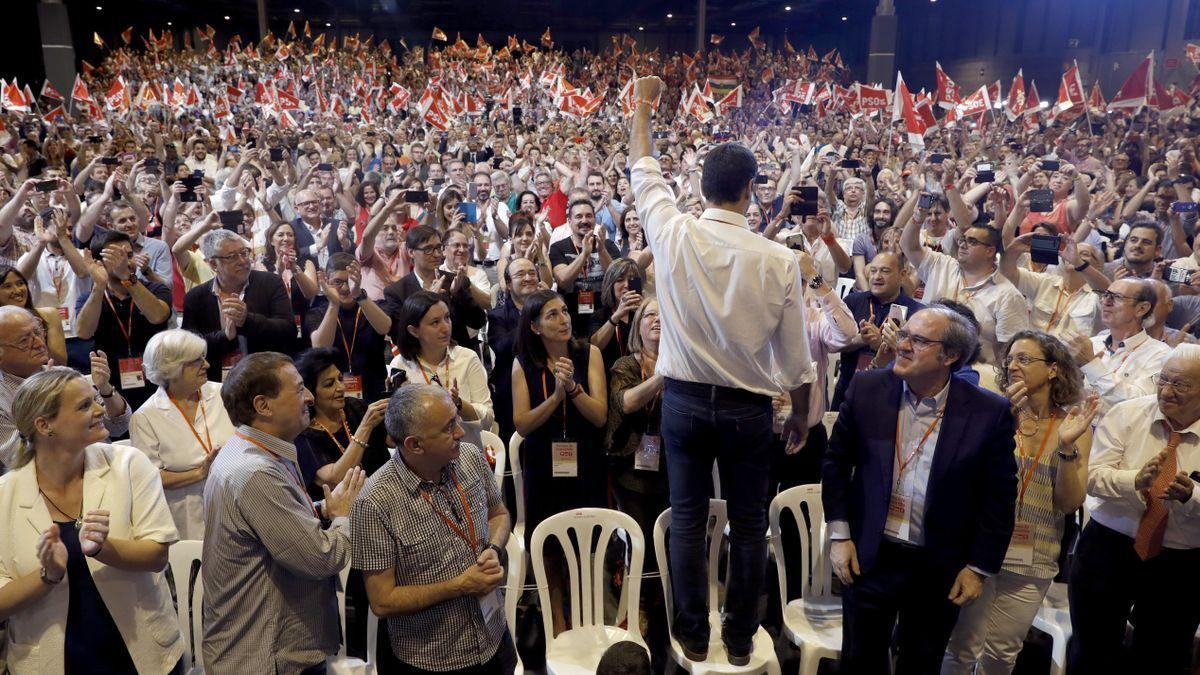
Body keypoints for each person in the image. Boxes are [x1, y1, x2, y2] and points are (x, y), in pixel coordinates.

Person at [628, 76, 816, 666]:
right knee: (748, 523)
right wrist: (804, 418)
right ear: (751, 190)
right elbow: (796, 359)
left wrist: (642, 106)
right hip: (747, 410)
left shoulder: (674, 230)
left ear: (701, 188)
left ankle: (690, 633)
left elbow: (643, 168)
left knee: (686, 521)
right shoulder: (781, 259)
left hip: (682, 401)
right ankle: (738, 640)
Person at [822, 306, 1018, 674]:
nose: (903, 345)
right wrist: (839, 535)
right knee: (859, 663)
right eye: (904, 334)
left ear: (951, 356)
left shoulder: (988, 412)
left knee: (920, 665)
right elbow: (835, 465)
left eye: (919, 340)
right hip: (869, 555)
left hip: (938, 566)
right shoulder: (868, 388)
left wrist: (978, 568)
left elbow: (999, 500)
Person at [0, 367, 183, 674]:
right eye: (84, 405)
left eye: (95, 399)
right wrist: (50, 574)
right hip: (53, 658)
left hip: (142, 653)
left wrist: (103, 549)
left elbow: (156, 555)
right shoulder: (5, 495)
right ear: (45, 425)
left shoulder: (128, 464)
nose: (100, 409)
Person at [942, 330, 1099, 675]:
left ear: (1054, 369)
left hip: (1035, 554)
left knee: (1002, 653)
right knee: (962, 647)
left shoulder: (1073, 425)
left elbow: (1069, 504)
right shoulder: (990, 409)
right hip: (979, 549)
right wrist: (1000, 423)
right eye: (1010, 358)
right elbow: (961, 476)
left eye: (1024, 359)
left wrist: (1066, 447)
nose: (1013, 365)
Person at [201, 352, 366, 673]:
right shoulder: (256, 472)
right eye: (299, 388)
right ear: (263, 406)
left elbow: (272, 524)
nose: (308, 397)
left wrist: (321, 510)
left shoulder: (255, 450)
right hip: (267, 656)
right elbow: (320, 559)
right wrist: (344, 517)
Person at [351, 383, 516, 674]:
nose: (461, 432)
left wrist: (494, 548)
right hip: (432, 659)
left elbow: (499, 514)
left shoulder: (470, 458)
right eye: (448, 427)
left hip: (493, 639)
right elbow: (382, 600)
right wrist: (459, 586)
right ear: (415, 444)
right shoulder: (374, 503)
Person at [1067, 345, 1200, 675]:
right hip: (1108, 547)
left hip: (1180, 563)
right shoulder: (1127, 413)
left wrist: (1192, 496)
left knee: (1163, 657)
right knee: (1092, 652)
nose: (1166, 391)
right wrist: (1134, 482)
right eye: (1163, 379)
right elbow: (1092, 477)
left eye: (1181, 385)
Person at [511, 290, 608, 633]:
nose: (564, 319)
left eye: (565, 311)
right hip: (543, 465)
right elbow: (522, 424)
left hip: (585, 461)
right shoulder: (523, 363)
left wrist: (573, 390)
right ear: (535, 327)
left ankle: (585, 612)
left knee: (583, 543)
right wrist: (555, 397)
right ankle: (557, 619)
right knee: (550, 549)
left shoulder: (589, 353)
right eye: (552, 315)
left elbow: (599, 416)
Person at [900, 192, 1030, 365]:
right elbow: (908, 246)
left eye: (972, 241)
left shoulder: (1007, 295)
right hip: (922, 362)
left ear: (990, 251)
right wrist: (917, 218)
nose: (962, 244)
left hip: (973, 374)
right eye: (962, 239)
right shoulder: (942, 264)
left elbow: (1010, 352)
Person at [129, 329, 235, 540]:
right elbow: (150, 477)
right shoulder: (145, 417)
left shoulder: (224, 394)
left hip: (234, 502)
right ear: (172, 369)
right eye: (196, 361)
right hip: (186, 517)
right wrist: (199, 473)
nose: (207, 365)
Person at [0, 306, 131, 470]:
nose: (40, 343)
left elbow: (120, 426)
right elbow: (20, 459)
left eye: (38, 332)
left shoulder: (64, 374)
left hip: (106, 465)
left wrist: (105, 389)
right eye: (24, 341)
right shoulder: (2, 399)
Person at [74, 230, 172, 411]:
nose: (125, 262)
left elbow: (158, 316)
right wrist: (98, 287)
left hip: (158, 380)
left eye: (128, 255)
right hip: (112, 384)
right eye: (116, 256)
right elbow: (83, 332)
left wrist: (128, 278)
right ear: (99, 263)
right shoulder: (89, 298)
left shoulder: (155, 288)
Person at [182, 230, 296, 382]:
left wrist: (247, 320)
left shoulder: (270, 282)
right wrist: (225, 336)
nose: (243, 261)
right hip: (216, 383)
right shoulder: (196, 297)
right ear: (213, 264)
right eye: (232, 257)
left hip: (268, 376)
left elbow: (289, 330)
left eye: (244, 253)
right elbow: (189, 347)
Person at [391, 291, 494, 458]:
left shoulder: (467, 358)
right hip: (422, 462)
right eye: (435, 322)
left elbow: (488, 419)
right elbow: (396, 433)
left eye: (447, 318)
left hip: (465, 457)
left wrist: (459, 404)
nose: (446, 327)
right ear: (414, 330)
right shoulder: (401, 366)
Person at [605, 298, 668, 549]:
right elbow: (627, 402)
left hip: (671, 465)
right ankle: (640, 588)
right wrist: (664, 374)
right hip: (630, 468)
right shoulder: (625, 365)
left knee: (670, 540)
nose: (658, 320)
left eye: (664, 315)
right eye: (650, 315)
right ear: (638, 326)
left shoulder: (686, 368)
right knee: (642, 542)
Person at [293, 347, 391, 500]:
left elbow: (391, 441)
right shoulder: (303, 433)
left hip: (384, 494)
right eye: (329, 384)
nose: (341, 387)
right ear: (311, 392)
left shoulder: (355, 406)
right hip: (345, 513)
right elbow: (334, 479)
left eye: (340, 378)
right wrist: (365, 427)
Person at [1063, 278, 1171, 417]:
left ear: (1142, 308)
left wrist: (1091, 365)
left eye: (1117, 297)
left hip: (1118, 435)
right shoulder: (1090, 344)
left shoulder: (1160, 354)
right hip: (1075, 427)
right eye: (1106, 295)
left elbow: (1137, 404)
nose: (1106, 302)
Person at [834, 252, 925, 409]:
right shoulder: (852, 302)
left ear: (902, 274)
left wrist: (882, 346)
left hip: (893, 393)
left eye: (885, 271)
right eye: (873, 270)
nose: (877, 276)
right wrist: (861, 340)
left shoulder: (917, 312)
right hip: (848, 387)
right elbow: (833, 344)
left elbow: (920, 361)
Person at [381, 226, 487, 352]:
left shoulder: (454, 279)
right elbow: (400, 337)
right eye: (428, 249)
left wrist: (459, 295)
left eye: (438, 247)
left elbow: (478, 321)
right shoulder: (397, 291)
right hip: (420, 359)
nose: (437, 254)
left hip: (458, 356)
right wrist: (426, 301)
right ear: (411, 252)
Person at [307, 253, 392, 403]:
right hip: (334, 393)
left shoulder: (373, 305)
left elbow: (384, 327)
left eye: (350, 280)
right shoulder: (318, 312)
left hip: (374, 390)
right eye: (338, 282)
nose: (345, 288)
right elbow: (320, 346)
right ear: (327, 281)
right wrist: (334, 304)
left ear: (359, 279)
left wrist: (358, 294)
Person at [549, 199, 623, 337]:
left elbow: (617, 277)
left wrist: (601, 251)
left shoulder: (608, 245)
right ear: (569, 221)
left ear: (595, 219)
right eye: (578, 216)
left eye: (589, 216)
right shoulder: (558, 247)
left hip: (606, 316)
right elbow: (563, 280)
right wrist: (584, 254)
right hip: (571, 318)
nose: (584, 220)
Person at [488, 256, 541, 443]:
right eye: (520, 274)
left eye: (532, 273)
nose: (528, 278)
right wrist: (529, 316)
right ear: (509, 284)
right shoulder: (497, 316)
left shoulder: (550, 309)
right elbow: (502, 348)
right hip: (511, 388)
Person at [0, 265, 68, 368]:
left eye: (20, 283)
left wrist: (39, 333)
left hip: (46, 376)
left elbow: (60, 362)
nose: (18, 290)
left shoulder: (49, 315)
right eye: (7, 286)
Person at [590, 258, 644, 373]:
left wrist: (644, 311)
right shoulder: (600, 315)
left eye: (631, 280)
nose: (626, 285)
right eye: (620, 280)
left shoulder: (642, 313)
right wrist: (616, 316)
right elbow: (594, 347)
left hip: (640, 375)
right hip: (610, 376)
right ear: (610, 285)